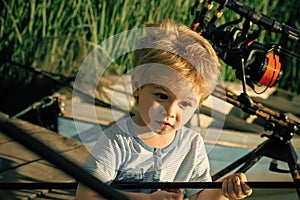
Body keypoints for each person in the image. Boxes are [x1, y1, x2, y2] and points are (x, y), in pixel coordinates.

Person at [76, 19, 253, 200]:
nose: (170, 111)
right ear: (137, 85)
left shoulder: (191, 144)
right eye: (162, 96)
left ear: (198, 104)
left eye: (184, 103)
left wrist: (224, 191)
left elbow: (199, 196)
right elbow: (86, 195)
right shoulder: (117, 140)